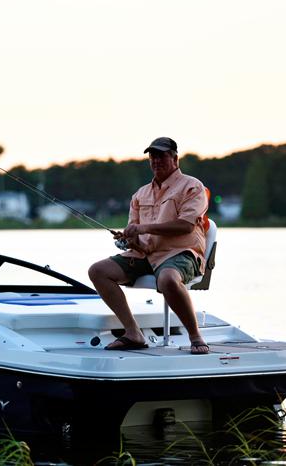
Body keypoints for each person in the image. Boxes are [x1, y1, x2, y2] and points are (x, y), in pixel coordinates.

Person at [88, 137, 210, 355]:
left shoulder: (193, 186)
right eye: (152, 156)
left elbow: (185, 225)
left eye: (162, 155)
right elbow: (135, 232)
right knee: (98, 271)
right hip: (145, 254)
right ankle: (133, 333)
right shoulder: (140, 194)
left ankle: (195, 336)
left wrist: (143, 229)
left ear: (174, 158)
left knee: (167, 279)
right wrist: (129, 238)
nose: (156, 160)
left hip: (180, 252)